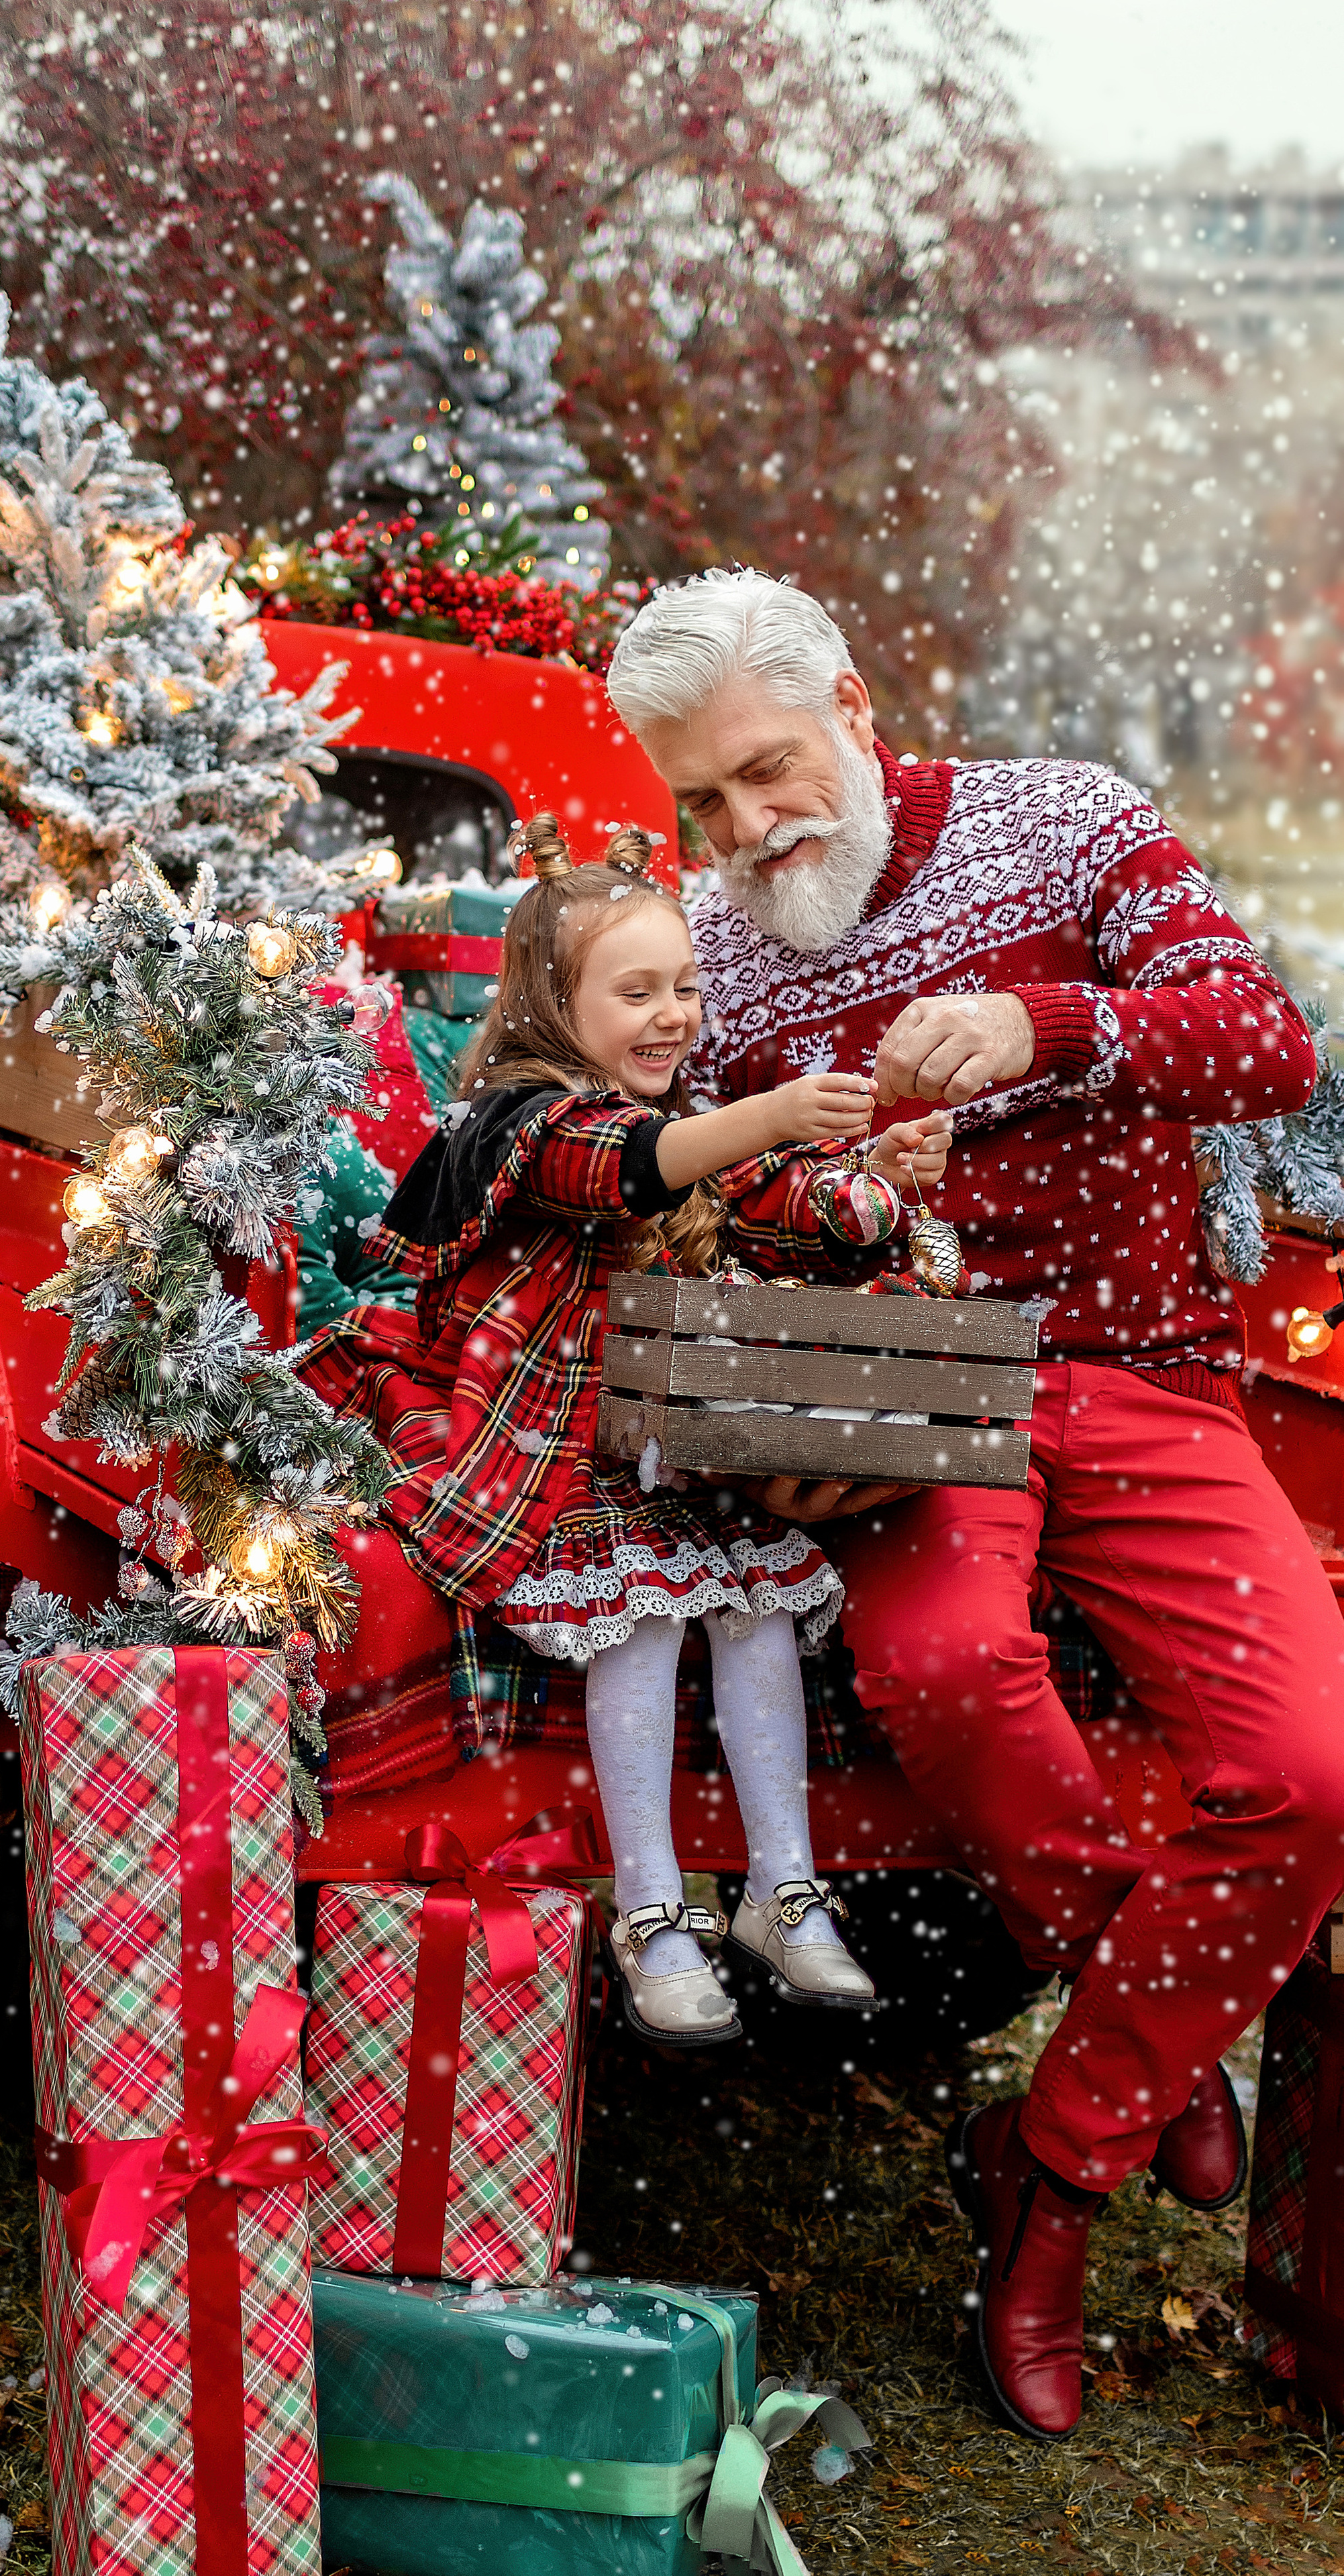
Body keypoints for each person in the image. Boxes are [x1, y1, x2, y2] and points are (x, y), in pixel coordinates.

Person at [603, 564, 1344, 2443]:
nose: (749, 831)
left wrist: (1047, 1031)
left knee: (1321, 1773)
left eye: (770, 771)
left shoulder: (1066, 820)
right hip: (907, 1403)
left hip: (1152, 1373)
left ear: (854, 706)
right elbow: (663, 1196)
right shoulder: (710, 952)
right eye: (702, 803)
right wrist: (820, 1159)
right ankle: (1142, 2036)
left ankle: (1049, 2160)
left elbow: (1264, 1043)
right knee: (945, 1676)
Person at [299, 812, 951, 2044]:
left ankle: (779, 1889)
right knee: (640, 1623)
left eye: (687, 987)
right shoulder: (530, 1125)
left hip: (670, 1442)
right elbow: (634, 1165)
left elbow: (793, 1202)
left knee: (758, 1614)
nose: (672, 1014)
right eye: (636, 991)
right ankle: (651, 1912)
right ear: (555, 1003)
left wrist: (883, 1176)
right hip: (545, 1444)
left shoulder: (700, 1121)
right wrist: (768, 1117)